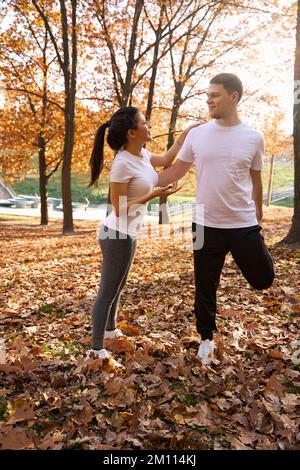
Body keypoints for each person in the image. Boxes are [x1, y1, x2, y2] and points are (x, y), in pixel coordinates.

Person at [157, 73, 275, 365]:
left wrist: (258, 215)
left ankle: (260, 254)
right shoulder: (197, 134)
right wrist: (135, 182)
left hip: (243, 224)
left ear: (233, 97)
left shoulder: (253, 137)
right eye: (207, 95)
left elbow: (256, 180)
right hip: (205, 224)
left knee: (263, 279)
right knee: (205, 285)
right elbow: (174, 172)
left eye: (215, 95)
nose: (208, 100)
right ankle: (206, 339)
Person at [87, 106, 198, 369]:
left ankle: (111, 332)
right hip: (116, 233)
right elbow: (118, 207)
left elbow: (170, 156)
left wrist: (187, 133)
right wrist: (152, 196)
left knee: (118, 287)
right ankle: (95, 349)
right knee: (107, 292)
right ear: (132, 132)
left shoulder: (143, 155)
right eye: (144, 122)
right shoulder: (122, 163)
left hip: (128, 232)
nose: (148, 126)